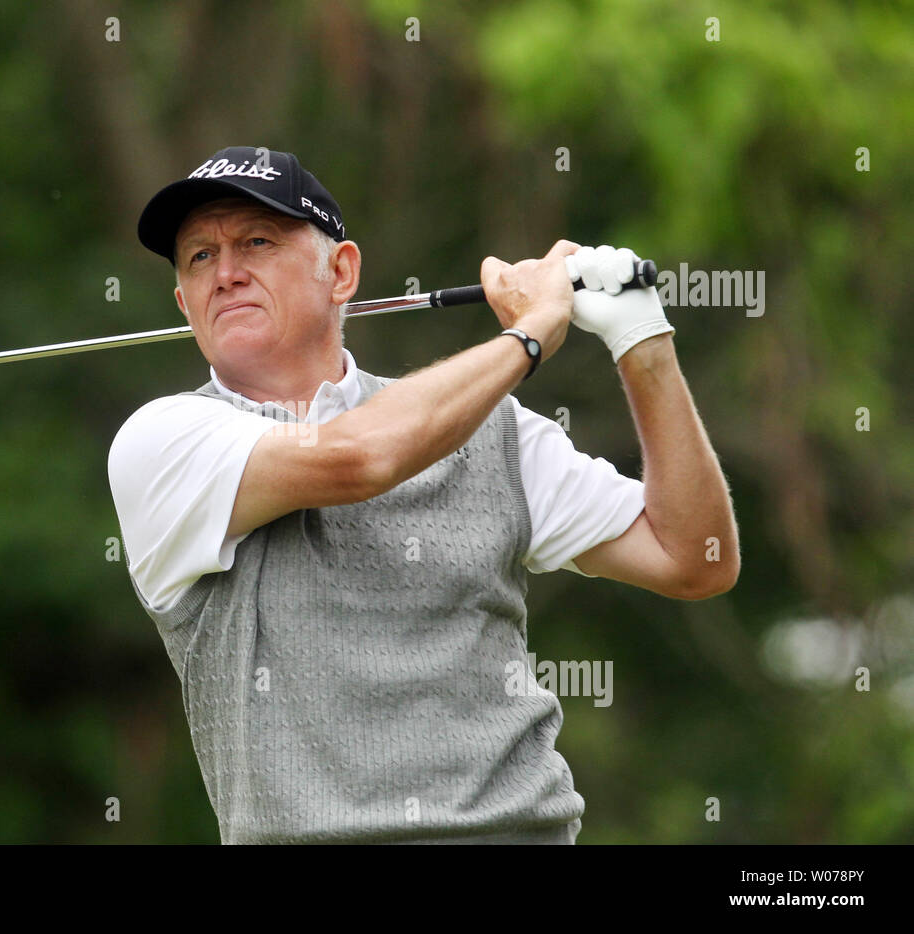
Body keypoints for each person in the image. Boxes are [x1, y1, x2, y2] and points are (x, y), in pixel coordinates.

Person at [108, 146, 739, 844]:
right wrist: (530, 334)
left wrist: (642, 343)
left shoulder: (491, 427)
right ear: (183, 302)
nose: (226, 273)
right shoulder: (162, 442)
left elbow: (696, 557)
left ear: (341, 272)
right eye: (199, 257)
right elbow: (360, 457)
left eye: (256, 241)